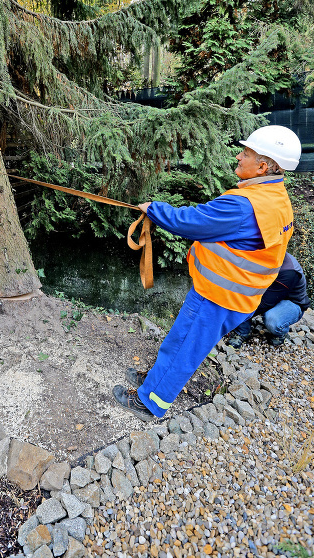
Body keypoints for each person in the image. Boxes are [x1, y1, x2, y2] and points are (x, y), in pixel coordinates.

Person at [112, 125, 301, 422]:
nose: (239, 157)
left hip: (218, 295)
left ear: (263, 165)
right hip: (240, 294)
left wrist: (154, 210)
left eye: (246, 153)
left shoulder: (244, 206)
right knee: (182, 339)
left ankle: (150, 403)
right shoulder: (276, 199)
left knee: (186, 344)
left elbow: (191, 221)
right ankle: (155, 380)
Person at [227, 251, 310, 348]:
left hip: (292, 302)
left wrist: (237, 315)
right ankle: (242, 326)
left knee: (272, 320)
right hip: (270, 293)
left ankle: (244, 332)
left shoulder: (289, 271)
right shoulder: (260, 256)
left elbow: (265, 303)